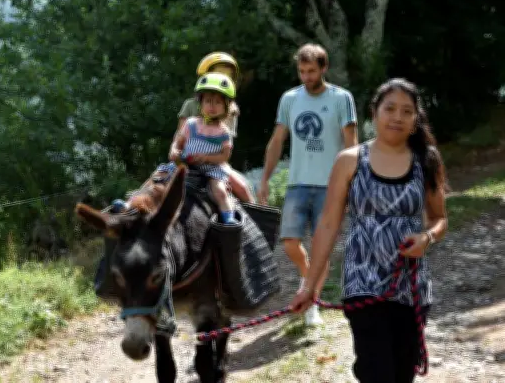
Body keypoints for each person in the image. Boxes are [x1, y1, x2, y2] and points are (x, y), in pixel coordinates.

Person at [289, 78, 449, 382]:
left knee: (402, 373)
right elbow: (327, 224)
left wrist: (427, 237)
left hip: (410, 285)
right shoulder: (350, 161)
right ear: (374, 113)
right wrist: (309, 287)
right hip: (363, 281)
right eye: (390, 109)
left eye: (406, 111)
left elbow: (440, 219)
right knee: (376, 372)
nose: (397, 117)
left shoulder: (426, 161)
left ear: (416, 120)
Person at [257, 43, 358, 326]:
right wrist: (264, 179)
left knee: (321, 246)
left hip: (331, 185)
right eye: (301, 71)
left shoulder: (342, 98)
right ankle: (308, 279)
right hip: (297, 182)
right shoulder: (290, 99)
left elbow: (352, 143)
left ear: (324, 68)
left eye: (311, 71)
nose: (306, 77)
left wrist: (352, 182)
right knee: (289, 242)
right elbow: (277, 140)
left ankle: (311, 300)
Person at [177, 52, 255, 203]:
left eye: (228, 75)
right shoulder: (189, 105)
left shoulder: (230, 110)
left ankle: (257, 222)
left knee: (242, 188)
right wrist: (178, 153)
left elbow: (225, 145)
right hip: (188, 158)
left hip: (216, 162)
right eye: (218, 73)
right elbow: (180, 135)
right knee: (158, 179)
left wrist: (227, 115)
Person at [167, 72, 239, 224]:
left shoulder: (224, 132)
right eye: (208, 101)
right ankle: (130, 204)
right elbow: (178, 142)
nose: (212, 106)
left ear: (226, 106)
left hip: (211, 169)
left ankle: (229, 219)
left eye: (218, 102)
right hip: (186, 164)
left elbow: (225, 156)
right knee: (159, 178)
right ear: (201, 102)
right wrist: (174, 151)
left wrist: (207, 158)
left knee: (220, 190)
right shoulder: (191, 123)